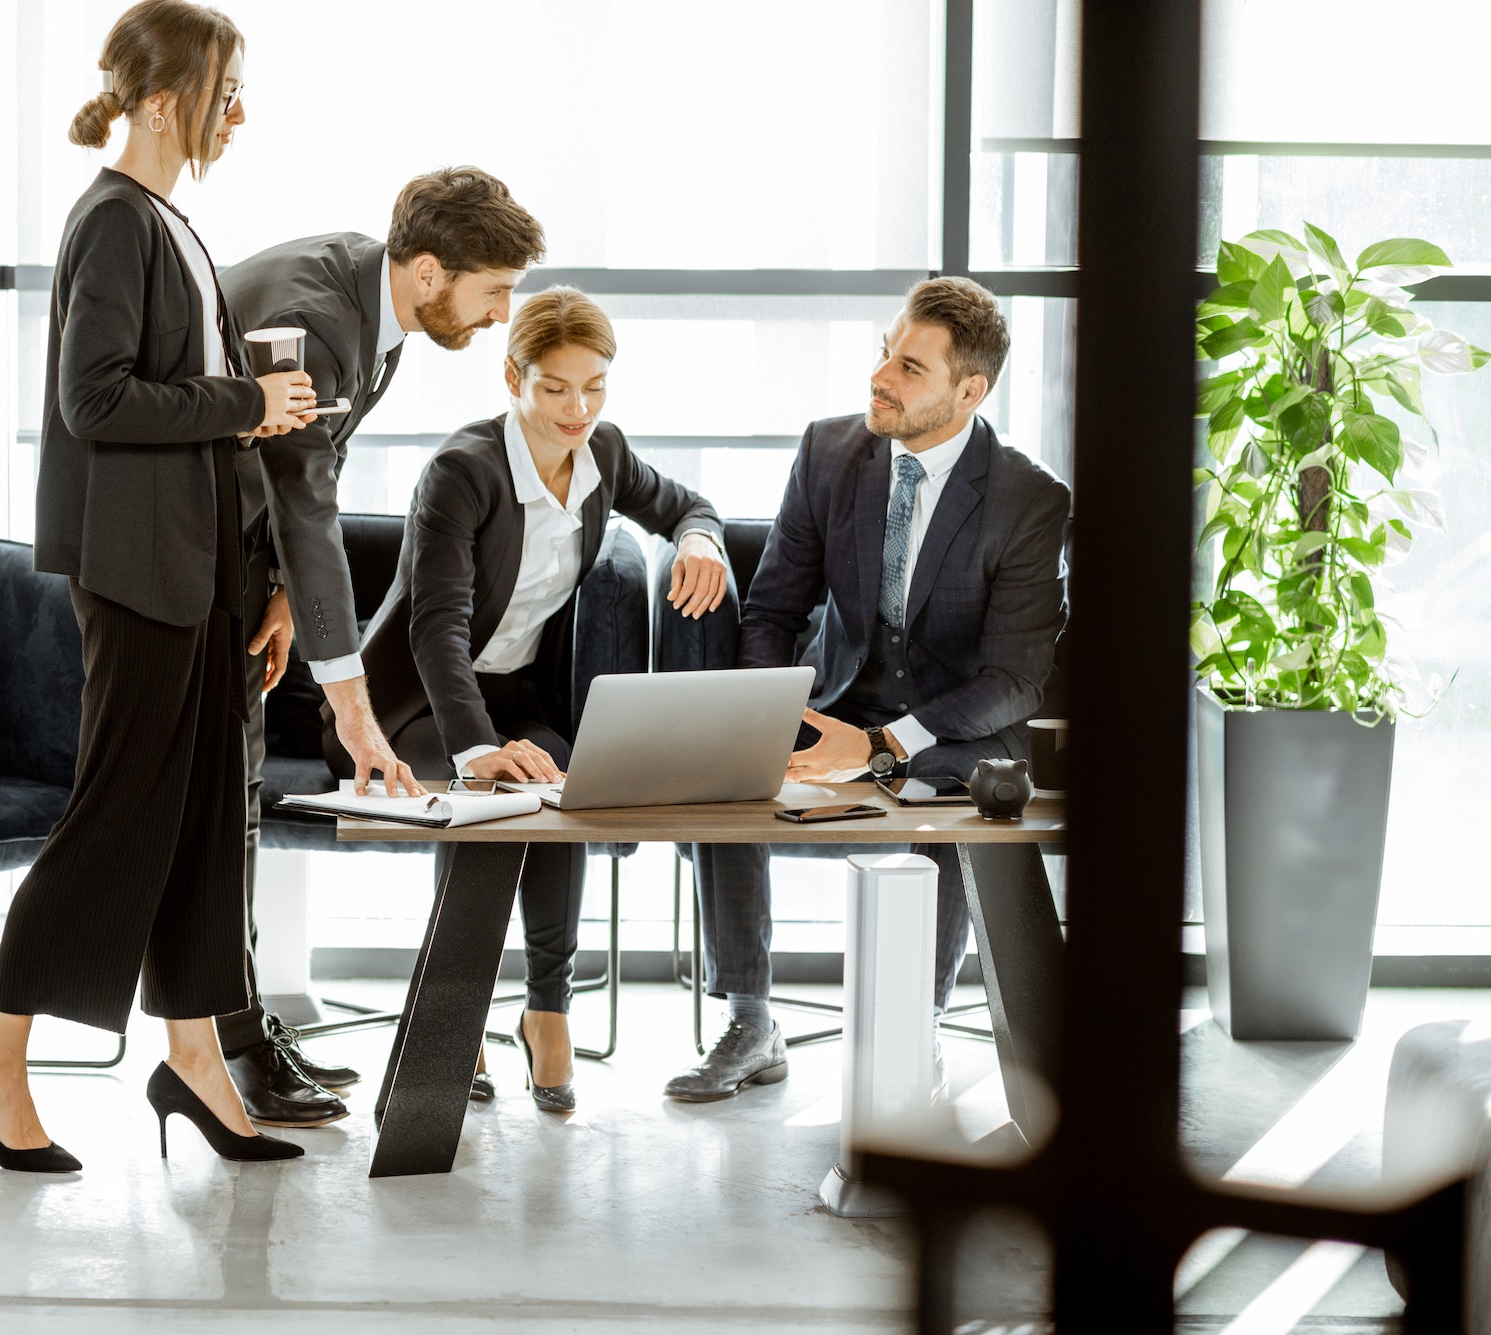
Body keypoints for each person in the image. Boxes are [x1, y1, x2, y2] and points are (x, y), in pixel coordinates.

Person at [0, 0, 322, 1170]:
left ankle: (198, 1062)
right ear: (164, 100)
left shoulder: (166, 223)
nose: (238, 112)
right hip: (139, 578)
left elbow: (184, 407)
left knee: (206, 823)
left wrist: (259, 569)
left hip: (199, 574)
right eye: (224, 91)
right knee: (117, 817)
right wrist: (245, 404)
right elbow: (94, 401)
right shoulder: (114, 223)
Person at [668, 276, 1070, 1103]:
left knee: (958, 796)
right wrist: (767, 716)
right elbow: (775, 606)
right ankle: (750, 1019)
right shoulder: (829, 452)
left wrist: (890, 743)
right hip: (840, 696)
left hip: (951, 722)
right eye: (884, 351)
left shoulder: (1030, 500)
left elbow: (1016, 678)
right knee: (726, 774)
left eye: (910, 367)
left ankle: (910, 1030)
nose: (881, 376)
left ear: (970, 390)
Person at [211, 170, 548, 1127]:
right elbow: (311, 503)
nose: (501, 316)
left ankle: (239, 1034)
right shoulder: (318, 315)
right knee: (209, 817)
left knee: (231, 811)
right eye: (493, 292)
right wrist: (350, 704)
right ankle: (228, 1045)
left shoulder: (375, 301)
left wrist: (279, 587)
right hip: (180, 570)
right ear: (434, 271)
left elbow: (314, 458)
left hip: (238, 564)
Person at [344, 287, 728, 1111]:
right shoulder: (463, 471)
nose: (577, 408)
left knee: (560, 781)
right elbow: (435, 627)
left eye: (594, 386)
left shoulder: (605, 455)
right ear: (513, 376)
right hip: (409, 701)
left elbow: (687, 504)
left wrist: (697, 536)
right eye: (556, 387)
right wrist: (476, 749)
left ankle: (547, 1008)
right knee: (490, 792)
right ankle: (457, 1013)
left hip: (515, 691)